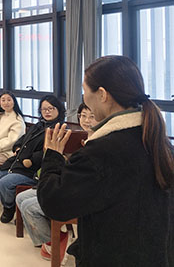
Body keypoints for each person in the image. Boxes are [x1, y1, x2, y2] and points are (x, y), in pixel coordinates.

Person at [38, 56, 174, 267]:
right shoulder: (159, 143)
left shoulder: (98, 153)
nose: (84, 98)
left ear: (102, 94)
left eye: (84, 91)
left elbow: (55, 203)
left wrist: (53, 157)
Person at [16, 102, 97, 262]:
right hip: (64, 183)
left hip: (78, 193)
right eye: (83, 116)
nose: (87, 120)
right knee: (20, 198)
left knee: (29, 207)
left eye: (92, 116)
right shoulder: (78, 138)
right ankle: (52, 239)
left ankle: (56, 241)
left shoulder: (97, 143)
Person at [0, 94, 65, 223]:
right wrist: (17, 147)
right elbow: (22, 139)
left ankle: (9, 208)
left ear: (59, 109)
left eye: (51, 108)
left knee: (5, 183)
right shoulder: (39, 125)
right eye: (44, 109)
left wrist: (30, 159)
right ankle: (14, 204)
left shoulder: (60, 129)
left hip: (32, 169)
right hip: (18, 162)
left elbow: (48, 153)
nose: (47, 112)